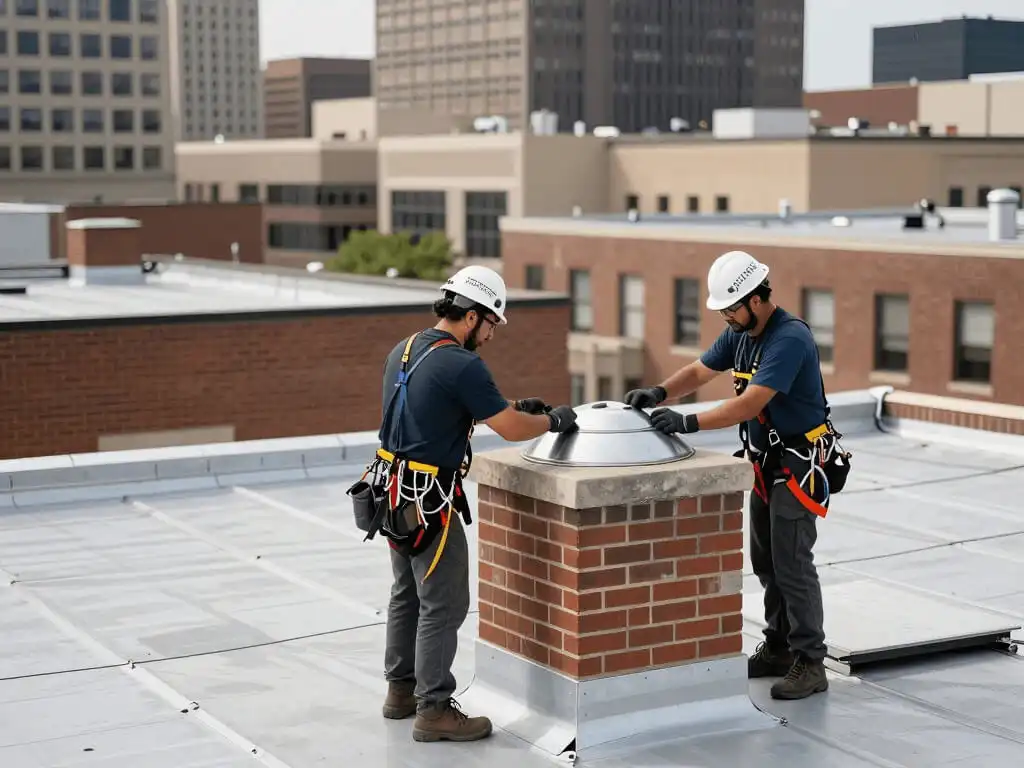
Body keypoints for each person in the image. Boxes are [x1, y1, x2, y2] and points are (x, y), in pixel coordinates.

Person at [623, 250, 848, 701]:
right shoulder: (740, 333)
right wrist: (661, 391)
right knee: (766, 561)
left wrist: (687, 422)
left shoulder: (789, 339)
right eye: (723, 310)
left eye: (731, 308)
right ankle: (780, 647)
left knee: (793, 563)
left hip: (799, 463)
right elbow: (700, 370)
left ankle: (811, 660)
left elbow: (750, 404)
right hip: (767, 463)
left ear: (758, 298)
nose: (726, 317)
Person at [370, 264, 578, 742]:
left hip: (392, 497)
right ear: (472, 316)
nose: (490, 336)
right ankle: (434, 709)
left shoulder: (403, 350)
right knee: (445, 603)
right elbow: (509, 429)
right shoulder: (462, 364)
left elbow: (433, 410)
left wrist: (509, 406)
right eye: (490, 325)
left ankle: (400, 692)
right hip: (428, 502)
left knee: (406, 594)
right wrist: (552, 422)